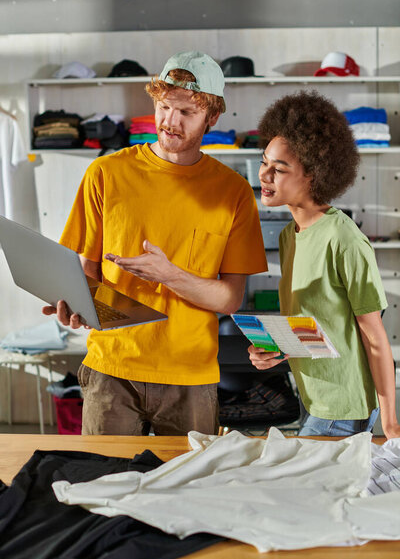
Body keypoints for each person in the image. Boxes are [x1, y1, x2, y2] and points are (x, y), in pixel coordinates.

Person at [43, 50, 268, 436]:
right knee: (102, 487)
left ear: (212, 117)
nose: (170, 121)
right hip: (111, 370)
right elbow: (87, 271)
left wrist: (170, 275)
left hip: (191, 376)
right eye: (164, 107)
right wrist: (77, 306)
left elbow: (229, 299)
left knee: (184, 492)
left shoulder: (232, 193)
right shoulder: (106, 173)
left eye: (186, 113)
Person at [248, 90, 400, 439]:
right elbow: (321, 325)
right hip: (313, 397)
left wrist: (391, 423)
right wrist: (275, 350)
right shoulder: (291, 235)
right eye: (264, 162)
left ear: (313, 175)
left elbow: (374, 336)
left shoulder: (344, 239)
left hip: (343, 407)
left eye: (280, 168)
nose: (265, 175)